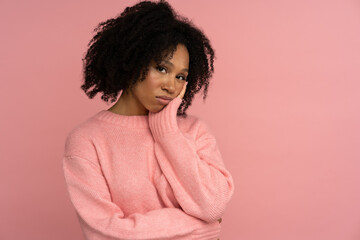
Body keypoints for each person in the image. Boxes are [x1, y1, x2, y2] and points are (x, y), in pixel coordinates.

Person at [62, 0, 235, 239]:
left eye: (181, 76)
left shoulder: (194, 131)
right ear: (133, 62)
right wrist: (204, 228)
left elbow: (213, 206)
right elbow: (105, 232)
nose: (171, 85)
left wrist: (167, 133)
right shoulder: (87, 141)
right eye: (162, 69)